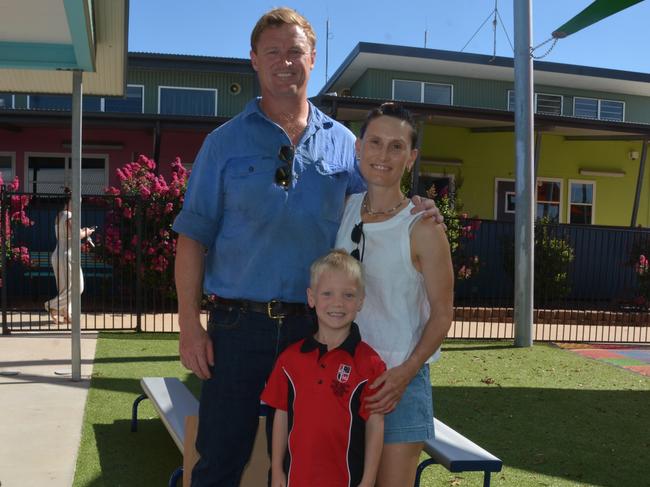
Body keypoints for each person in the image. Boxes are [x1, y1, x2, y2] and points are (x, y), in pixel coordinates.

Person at [172, 8, 442, 486]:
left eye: (295, 51)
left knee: (314, 463)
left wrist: (422, 205)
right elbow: (192, 238)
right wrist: (190, 325)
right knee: (218, 458)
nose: (284, 61)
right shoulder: (222, 144)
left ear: (312, 59)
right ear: (253, 59)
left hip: (317, 331)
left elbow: (381, 195)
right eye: (272, 51)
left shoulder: (343, 145)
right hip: (236, 329)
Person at [335, 102, 454, 487]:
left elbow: (442, 313)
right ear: (359, 148)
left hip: (396, 384)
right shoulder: (343, 209)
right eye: (375, 142)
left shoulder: (423, 226)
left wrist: (405, 373)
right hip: (342, 378)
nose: (383, 155)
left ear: (411, 157)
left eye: (396, 146)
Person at [261, 249, 385, 487]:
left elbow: (375, 424)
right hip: (296, 478)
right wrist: (277, 469)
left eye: (348, 295)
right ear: (311, 297)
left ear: (360, 301)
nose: (337, 303)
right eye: (327, 293)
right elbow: (281, 416)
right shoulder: (290, 360)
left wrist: (368, 480)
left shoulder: (370, 364)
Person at [44, 189, 95, 324]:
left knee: (65, 288)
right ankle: (52, 306)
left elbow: (70, 234)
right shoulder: (69, 215)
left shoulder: (60, 215)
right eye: (76, 202)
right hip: (67, 255)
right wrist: (88, 231)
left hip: (59, 254)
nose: (78, 205)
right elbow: (76, 236)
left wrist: (82, 231)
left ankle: (67, 314)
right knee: (78, 287)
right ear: (69, 201)